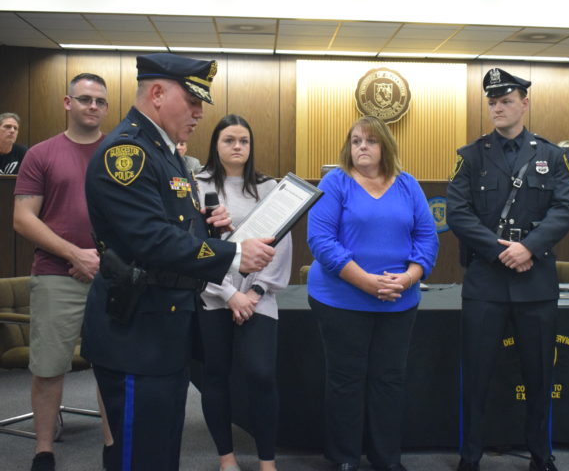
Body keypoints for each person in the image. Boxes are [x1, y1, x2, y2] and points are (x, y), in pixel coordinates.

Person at [81, 53, 276, 471]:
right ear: (156, 94)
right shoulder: (127, 155)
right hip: (136, 333)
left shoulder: (165, 153)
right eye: (192, 102)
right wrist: (236, 253)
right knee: (137, 453)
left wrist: (209, 227)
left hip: (165, 330)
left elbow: (174, 227)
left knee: (162, 449)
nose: (200, 114)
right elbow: (151, 241)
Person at [446, 68, 569, 471]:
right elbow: (457, 212)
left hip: (534, 283)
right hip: (486, 282)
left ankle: (541, 455)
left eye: (505, 101)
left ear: (525, 102)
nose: (497, 108)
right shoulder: (471, 156)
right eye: (492, 102)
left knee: (539, 378)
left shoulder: (551, 156)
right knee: (478, 376)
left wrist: (529, 248)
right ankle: (470, 456)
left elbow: (565, 209)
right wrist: (498, 250)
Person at [307, 115, 438, 471]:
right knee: (346, 381)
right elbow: (320, 241)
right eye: (355, 141)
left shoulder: (408, 185)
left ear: (385, 146)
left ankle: (386, 459)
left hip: (398, 301)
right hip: (341, 299)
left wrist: (409, 277)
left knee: (389, 381)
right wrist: (365, 280)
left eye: (370, 141)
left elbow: (427, 238)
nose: (362, 147)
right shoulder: (335, 182)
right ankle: (344, 458)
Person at [13, 74, 114, 471]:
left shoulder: (120, 153)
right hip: (57, 275)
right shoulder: (41, 154)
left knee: (111, 365)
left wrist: (101, 260)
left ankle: (112, 445)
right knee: (49, 366)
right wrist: (76, 254)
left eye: (100, 101)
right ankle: (44, 451)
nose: (93, 106)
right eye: (85, 99)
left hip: (112, 277)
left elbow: (135, 218)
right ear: (67, 102)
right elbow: (23, 218)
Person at [196, 114, 292, 471]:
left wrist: (254, 292)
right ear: (215, 145)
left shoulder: (269, 188)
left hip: (259, 298)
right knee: (216, 376)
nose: (237, 147)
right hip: (213, 297)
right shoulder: (198, 184)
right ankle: (227, 458)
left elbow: (280, 246)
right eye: (229, 140)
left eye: (244, 141)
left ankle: (268, 462)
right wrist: (227, 294)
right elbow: (195, 248)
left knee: (261, 375)